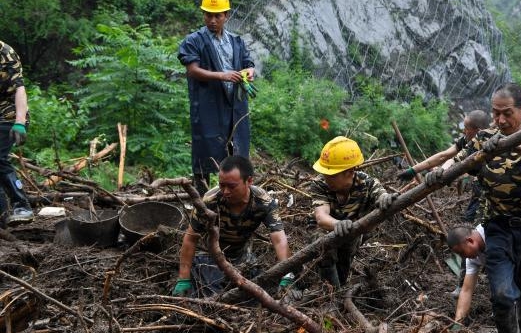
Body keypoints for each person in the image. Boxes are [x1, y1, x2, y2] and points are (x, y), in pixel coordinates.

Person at [427, 82, 521, 333]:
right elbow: (455, 160)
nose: (499, 121)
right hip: (497, 227)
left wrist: (511, 143)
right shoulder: (484, 138)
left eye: (506, 114)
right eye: (495, 114)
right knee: (500, 292)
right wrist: (439, 172)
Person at [173, 156, 294, 297]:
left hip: (241, 256)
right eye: (221, 185)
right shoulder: (210, 201)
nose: (225, 191)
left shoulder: (263, 202)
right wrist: (183, 279)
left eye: (231, 186)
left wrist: (287, 273)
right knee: (214, 295)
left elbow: (279, 238)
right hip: (209, 255)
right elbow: (191, 238)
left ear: (249, 181)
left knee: (262, 291)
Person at [178, 0, 256, 195]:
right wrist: (223, 75)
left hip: (235, 106)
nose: (212, 20)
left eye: (217, 15)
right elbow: (193, 70)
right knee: (205, 150)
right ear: (203, 14)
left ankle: (238, 192)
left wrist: (249, 72)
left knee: (237, 148)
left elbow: (249, 63)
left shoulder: (236, 41)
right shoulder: (193, 41)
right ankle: (203, 198)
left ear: (226, 16)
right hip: (208, 106)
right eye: (208, 15)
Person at [310, 136, 395, 287]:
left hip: (353, 233)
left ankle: (339, 287)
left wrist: (385, 199)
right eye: (325, 173)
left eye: (332, 175)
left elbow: (382, 195)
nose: (327, 178)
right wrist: (337, 224)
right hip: (326, 230)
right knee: (322, 244)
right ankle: (328, 290)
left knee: (346, 255)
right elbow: (321, 216)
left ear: (350, 172)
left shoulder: (368, 184)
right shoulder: (319, 184)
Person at [449, 222, 521, 325]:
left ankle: (520, 304)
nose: (463, 257)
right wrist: (458, 323)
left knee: (519, 266)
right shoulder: (472, 258)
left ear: (470, 241)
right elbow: (466, 290)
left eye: (462, 252)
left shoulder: (494, 230)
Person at [397, 110, 491, 222]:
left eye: (466, 127)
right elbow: (444, 156)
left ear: (478, 131)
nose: (463, 130)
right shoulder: (466, 140)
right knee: (469, 220)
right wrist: (413, 170)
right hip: (479, 187)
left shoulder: (492, 143)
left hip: (492, 191)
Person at [0, 41, 33, 224]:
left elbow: (19, 88)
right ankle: (3, 214)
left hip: (10, 114)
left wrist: (19, 122)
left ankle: (21, 205)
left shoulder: (6, 53)